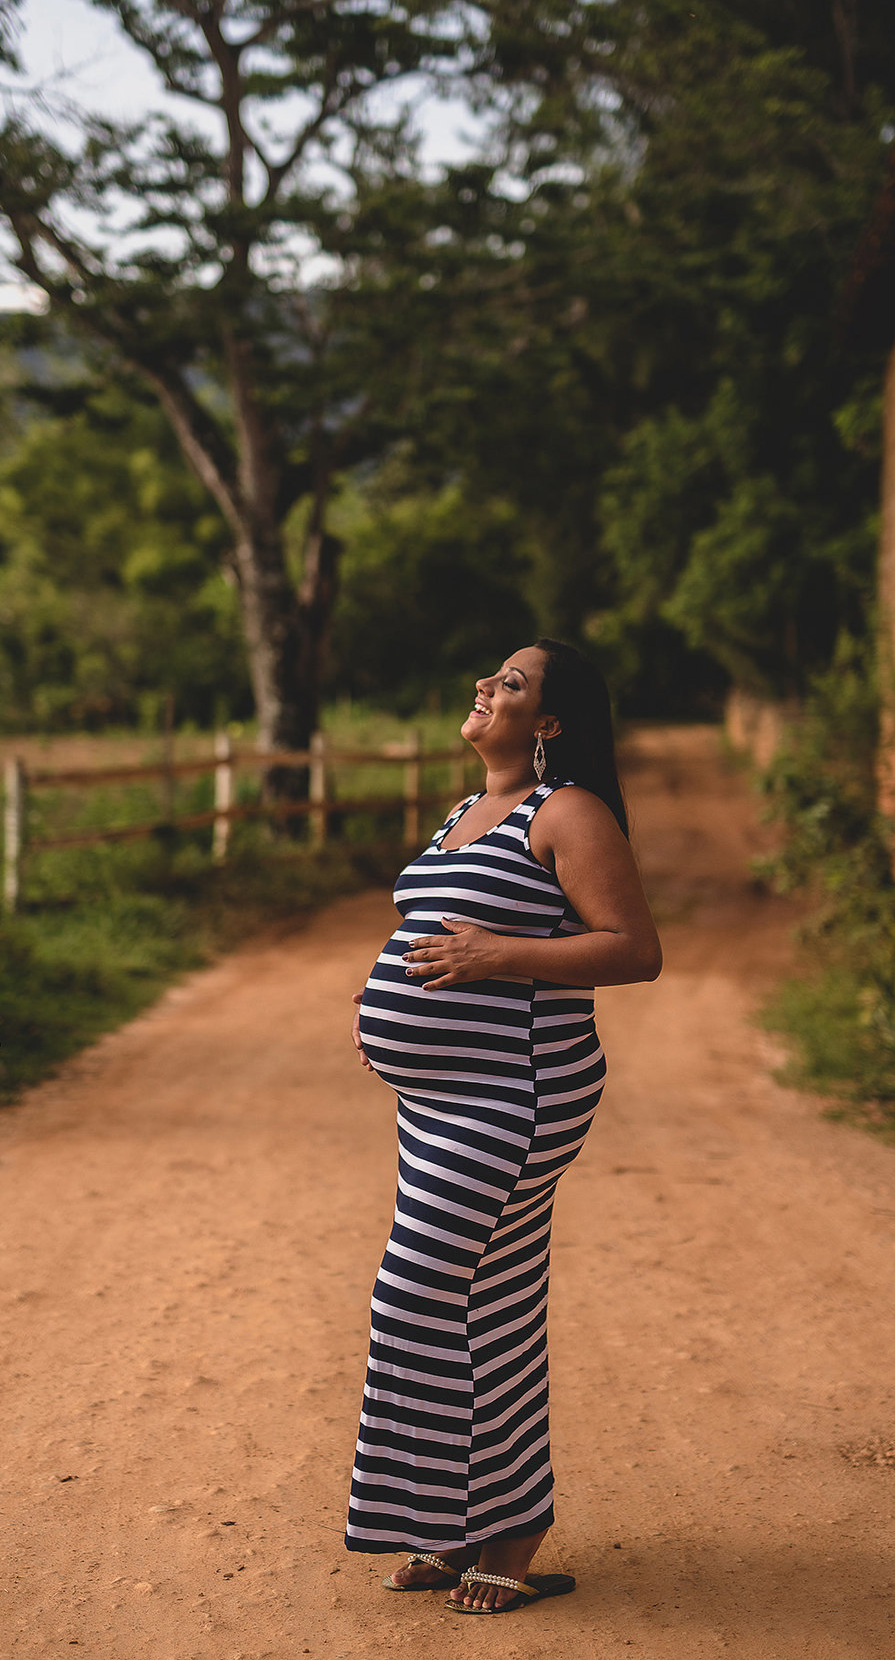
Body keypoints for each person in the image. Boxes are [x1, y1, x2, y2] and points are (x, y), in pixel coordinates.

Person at [344, 639, 662, 1616]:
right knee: (482, 1308)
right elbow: (432, 942)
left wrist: (498, 953)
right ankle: (452, 1532)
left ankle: (510, 1538)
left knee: (415, 1298)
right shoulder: (463, 812)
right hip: (438, 1104)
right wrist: (390, 1021)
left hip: (514, 1100)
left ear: (552, 723)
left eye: (512, 685)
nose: (486, 688)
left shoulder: (566, 812)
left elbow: (634, 949)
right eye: (490, 678)